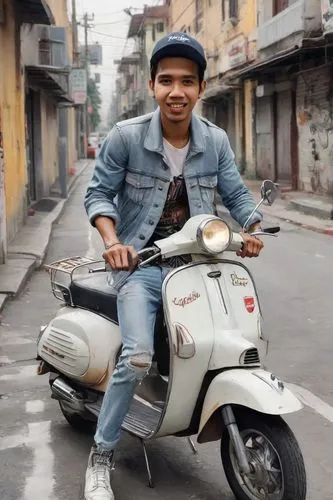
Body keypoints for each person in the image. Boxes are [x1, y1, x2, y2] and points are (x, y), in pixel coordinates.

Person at [83, 32, 264, 500]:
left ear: (201, 88)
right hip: (141, 263)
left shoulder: (216, 140)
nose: (176, 91)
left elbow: (237, 194)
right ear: (152, 85)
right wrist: (113, 241)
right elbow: (98, 194)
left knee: (227, 341)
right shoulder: (126, 138)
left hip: (198, 262)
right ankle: (101, 454)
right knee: (137, 356)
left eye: (187, 81)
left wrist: (253, 225)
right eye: (167, 81)